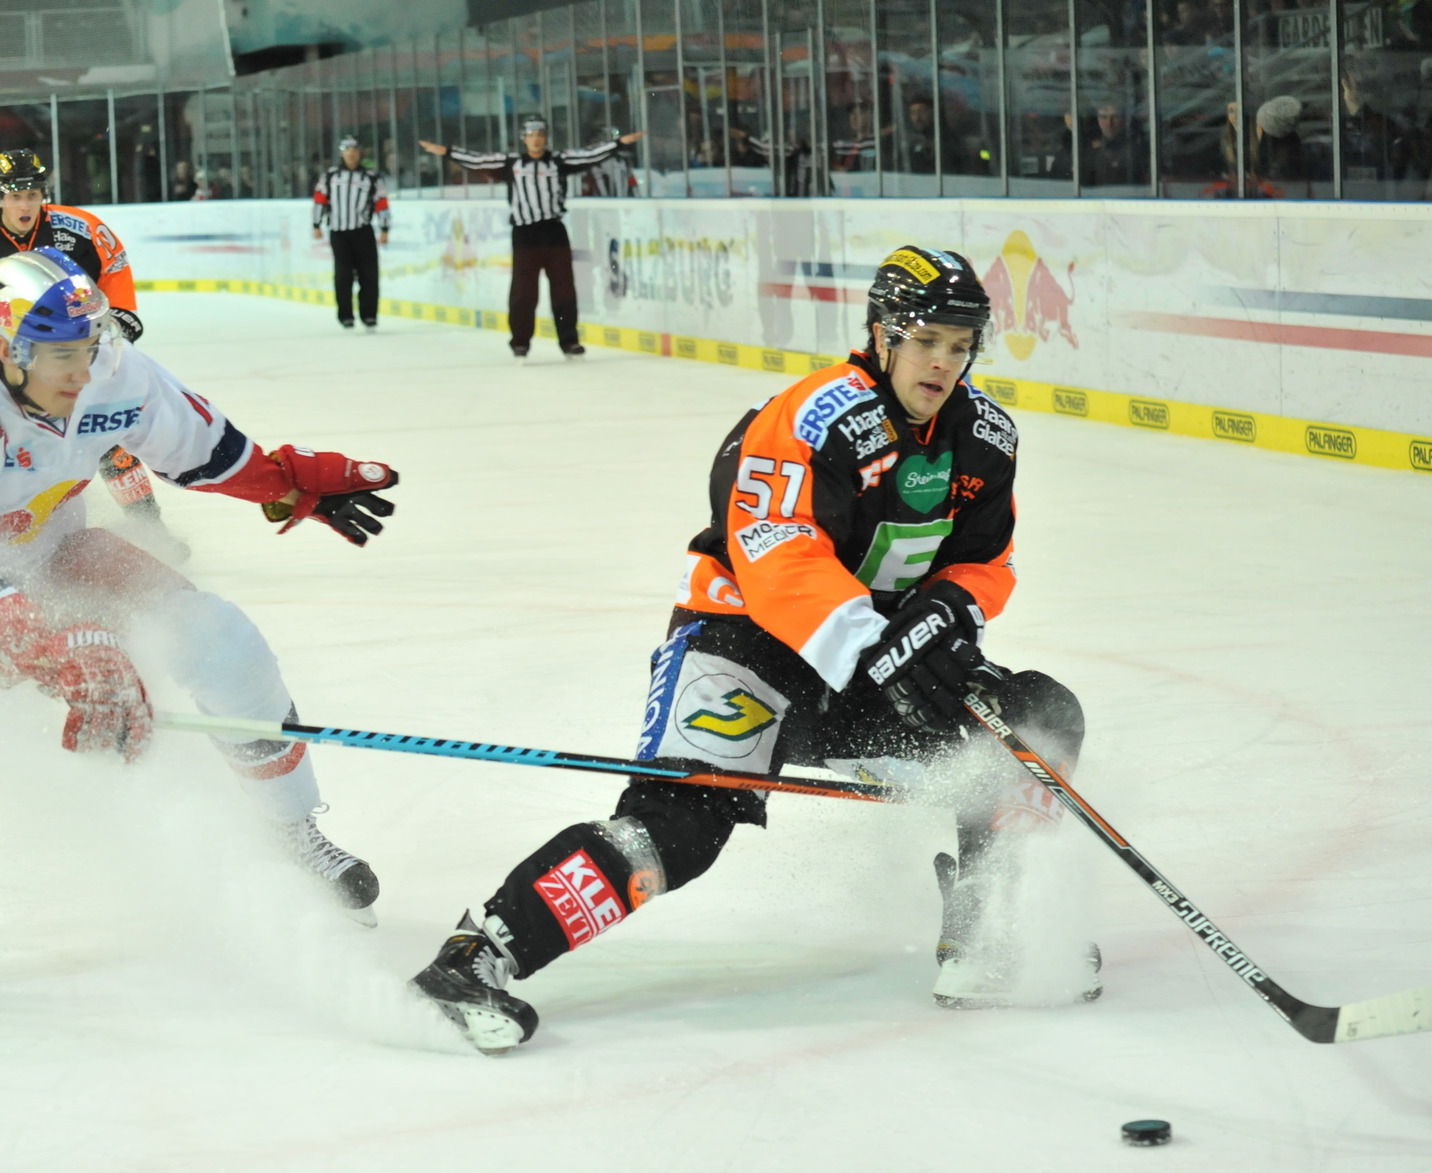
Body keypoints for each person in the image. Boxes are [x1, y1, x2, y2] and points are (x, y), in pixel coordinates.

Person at [409, 246, 1094, 1053]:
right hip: (745, 644)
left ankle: (983, 928)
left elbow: (986, 558)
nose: (941, 362)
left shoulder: (984, 435)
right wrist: (886, 650)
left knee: (1033, 718)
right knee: (679, 829)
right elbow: (779, 554)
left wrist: (945, 618)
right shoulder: (812, 416)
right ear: (880, 333)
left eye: (957, 344)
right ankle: (476, 957)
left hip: (872, 673)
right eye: (924, 340)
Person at [0, 249, 401, 1016]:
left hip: (53, 550)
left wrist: (287, 480)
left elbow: (206, 450)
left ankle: (291, 831)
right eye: (61, 355)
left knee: (223, 639)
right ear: (7, 346)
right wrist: (66, 651)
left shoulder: (110, 369)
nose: (82, 372)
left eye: (89, 348)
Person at [0, 148, 174, 544]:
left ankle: (151, 529)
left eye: (32, 195)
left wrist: (120, 312)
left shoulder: (75, 227)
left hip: (62, 354)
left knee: (103, 434)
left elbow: (113, 263)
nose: (25, 205)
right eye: (16, 196)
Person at [419, 117, 642, 359]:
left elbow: (589, 155)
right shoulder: (512, 163)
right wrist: (446, 152)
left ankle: (569, 341)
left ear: (545, 138)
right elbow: (477, 160)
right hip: (525, 234)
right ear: (524, 139)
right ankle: (520, 342)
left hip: (554, 231)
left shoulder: (558, 162)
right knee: (523, 292)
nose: (535, 140)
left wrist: (618, 143)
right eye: (531, 136)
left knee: (564, 290)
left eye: (540, 135)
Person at [311, 135, 389, 331]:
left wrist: (385, 227)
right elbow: (320, 199)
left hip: (363, 230)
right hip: (339, 232)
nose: (352, 155)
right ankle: (346, 315)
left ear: (359, 153)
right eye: (347, 151)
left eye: (355, 151)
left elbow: (381, 202)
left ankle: (369, 315)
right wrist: (316, 224)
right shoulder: (331, 176)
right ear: (342, 153)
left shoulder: (371, 177)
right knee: (343, 275)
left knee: (369, 275)